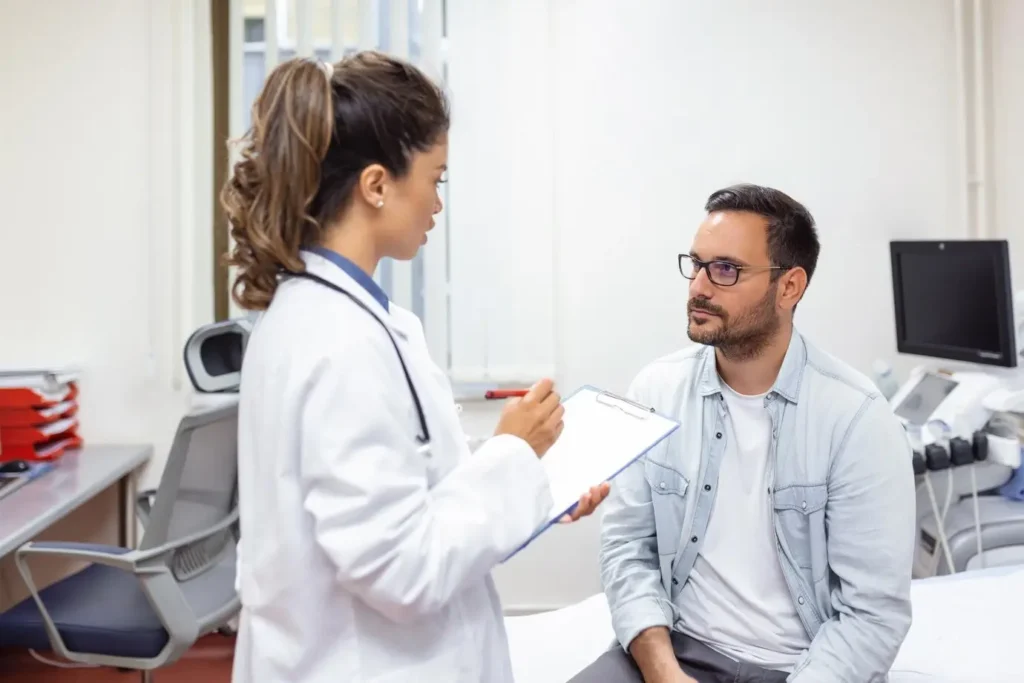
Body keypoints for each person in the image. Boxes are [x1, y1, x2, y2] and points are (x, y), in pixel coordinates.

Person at [222, 52, 609, 683]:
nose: (437, 202)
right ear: (377, 184)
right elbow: (400, 567)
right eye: (436, 178)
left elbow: (408, 481)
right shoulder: (338, 342)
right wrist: (512, 456)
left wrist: (526, 471)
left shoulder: (342, 319)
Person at [571, 184, 916, 682]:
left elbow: (873, 617)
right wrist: (664, 671)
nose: (700, 287)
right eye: (697, 264)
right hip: (676, 651)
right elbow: (628, 549)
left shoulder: (857, 420)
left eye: (727, 269)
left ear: (790, 287)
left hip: (799, 669)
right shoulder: (657, 390)